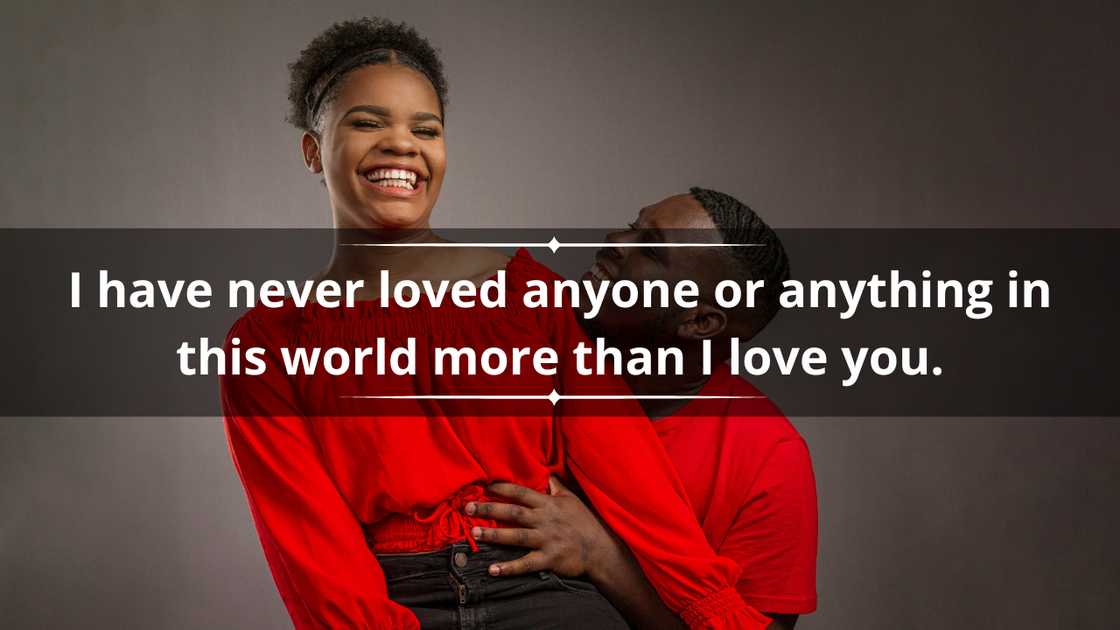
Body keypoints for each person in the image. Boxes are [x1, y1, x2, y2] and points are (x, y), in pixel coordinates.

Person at [221, 18, 772, 630]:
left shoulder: (529, 294)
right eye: (367, 121)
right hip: (399, 601)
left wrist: (723, 621)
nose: (402, 143)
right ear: (312, 151)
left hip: (546, 592)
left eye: (424, 129)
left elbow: (637, 484)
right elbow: (311, 551)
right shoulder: (268, 344)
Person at [464, 190, 818, 629]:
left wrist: (602, 557)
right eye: (633, 226)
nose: (615, 241)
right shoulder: (517, 347)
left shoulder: (769, 456)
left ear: (699, 321)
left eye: (650, 249)